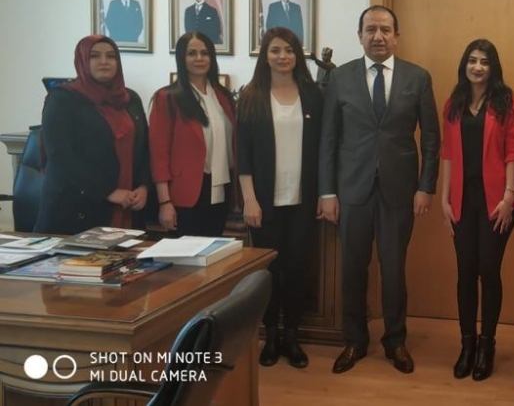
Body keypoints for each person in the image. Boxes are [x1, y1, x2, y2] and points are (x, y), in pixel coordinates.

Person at [319, 5, 440, 375]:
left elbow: (431, 139)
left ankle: (395, 341)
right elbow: (328, 139)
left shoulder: (417, 78)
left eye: (385, 29)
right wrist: (327, 192)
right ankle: (354, 341)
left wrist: (426, 187)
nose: (378, 36)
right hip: (351, 191)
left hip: (399, 191)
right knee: (353, 269)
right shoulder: (340, 77)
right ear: (359, 36)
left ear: (397, 36)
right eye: (370, 29)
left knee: (394, 270)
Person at [237, 27, 324, 370]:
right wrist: (249, 199)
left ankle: (292, 336)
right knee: (268, 272)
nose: (283, 56)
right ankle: (270, 335)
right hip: (264, 202)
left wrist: (324, 193)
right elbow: (243, 154)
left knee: (298, 270)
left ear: (297, 54)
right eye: (275, 50)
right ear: (265, 55)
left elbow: (323, 148)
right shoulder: (252, 96)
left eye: (289, 50)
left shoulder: (313, 95)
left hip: (302, 201)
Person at [440, 39, 514, 382]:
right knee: (465, 272)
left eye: (484, 61)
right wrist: (444, 199)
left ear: (493, 67)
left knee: (489, 270)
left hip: (495, 202)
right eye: (472, 60)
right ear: (465, 65)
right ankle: (467, 344)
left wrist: (509, 196)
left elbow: (513, 151)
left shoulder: (505, 101)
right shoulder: (454, 103)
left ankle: (487, 344)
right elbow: (447, 153)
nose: (477, 67)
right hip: (462, 199)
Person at [36, 36, 151, 235]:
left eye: (111, 56)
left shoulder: (130, 98)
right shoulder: (62, 99)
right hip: (78, 207)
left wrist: (144, 186)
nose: (104, 61)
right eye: (94, 56)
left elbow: (144, 149)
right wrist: (107, 192)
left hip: (129, 204)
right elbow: (60, 155)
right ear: (82, 61)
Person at [149, 32, 235, 237]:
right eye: (192, 53)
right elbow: (158, 155)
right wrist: (164, 202)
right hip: (183, 194)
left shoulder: (223, 96)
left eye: (205, 53)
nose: (199, 58)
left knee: (214, 250)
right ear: (181, 58)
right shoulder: (167, 98)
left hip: (220, 188)